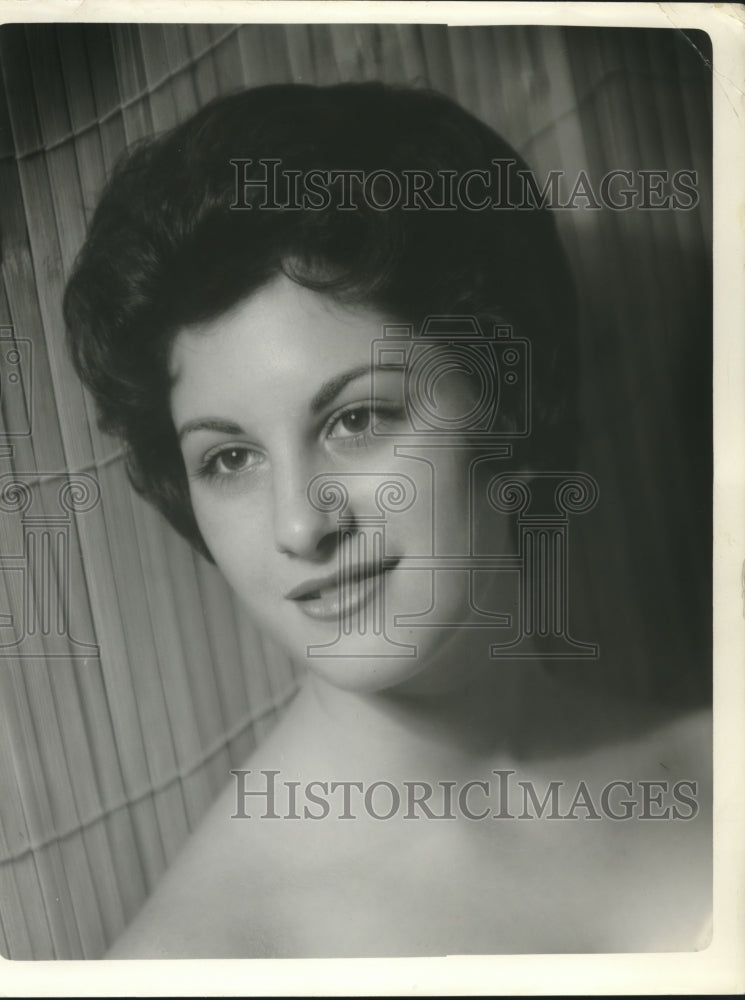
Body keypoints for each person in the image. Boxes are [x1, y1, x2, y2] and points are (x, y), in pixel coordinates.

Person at [63, 82, 711, 958]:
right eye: (228, 459)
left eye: (356, 419)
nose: (300, 525)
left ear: (500, 398)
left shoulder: (717, 759)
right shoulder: (213, 958)